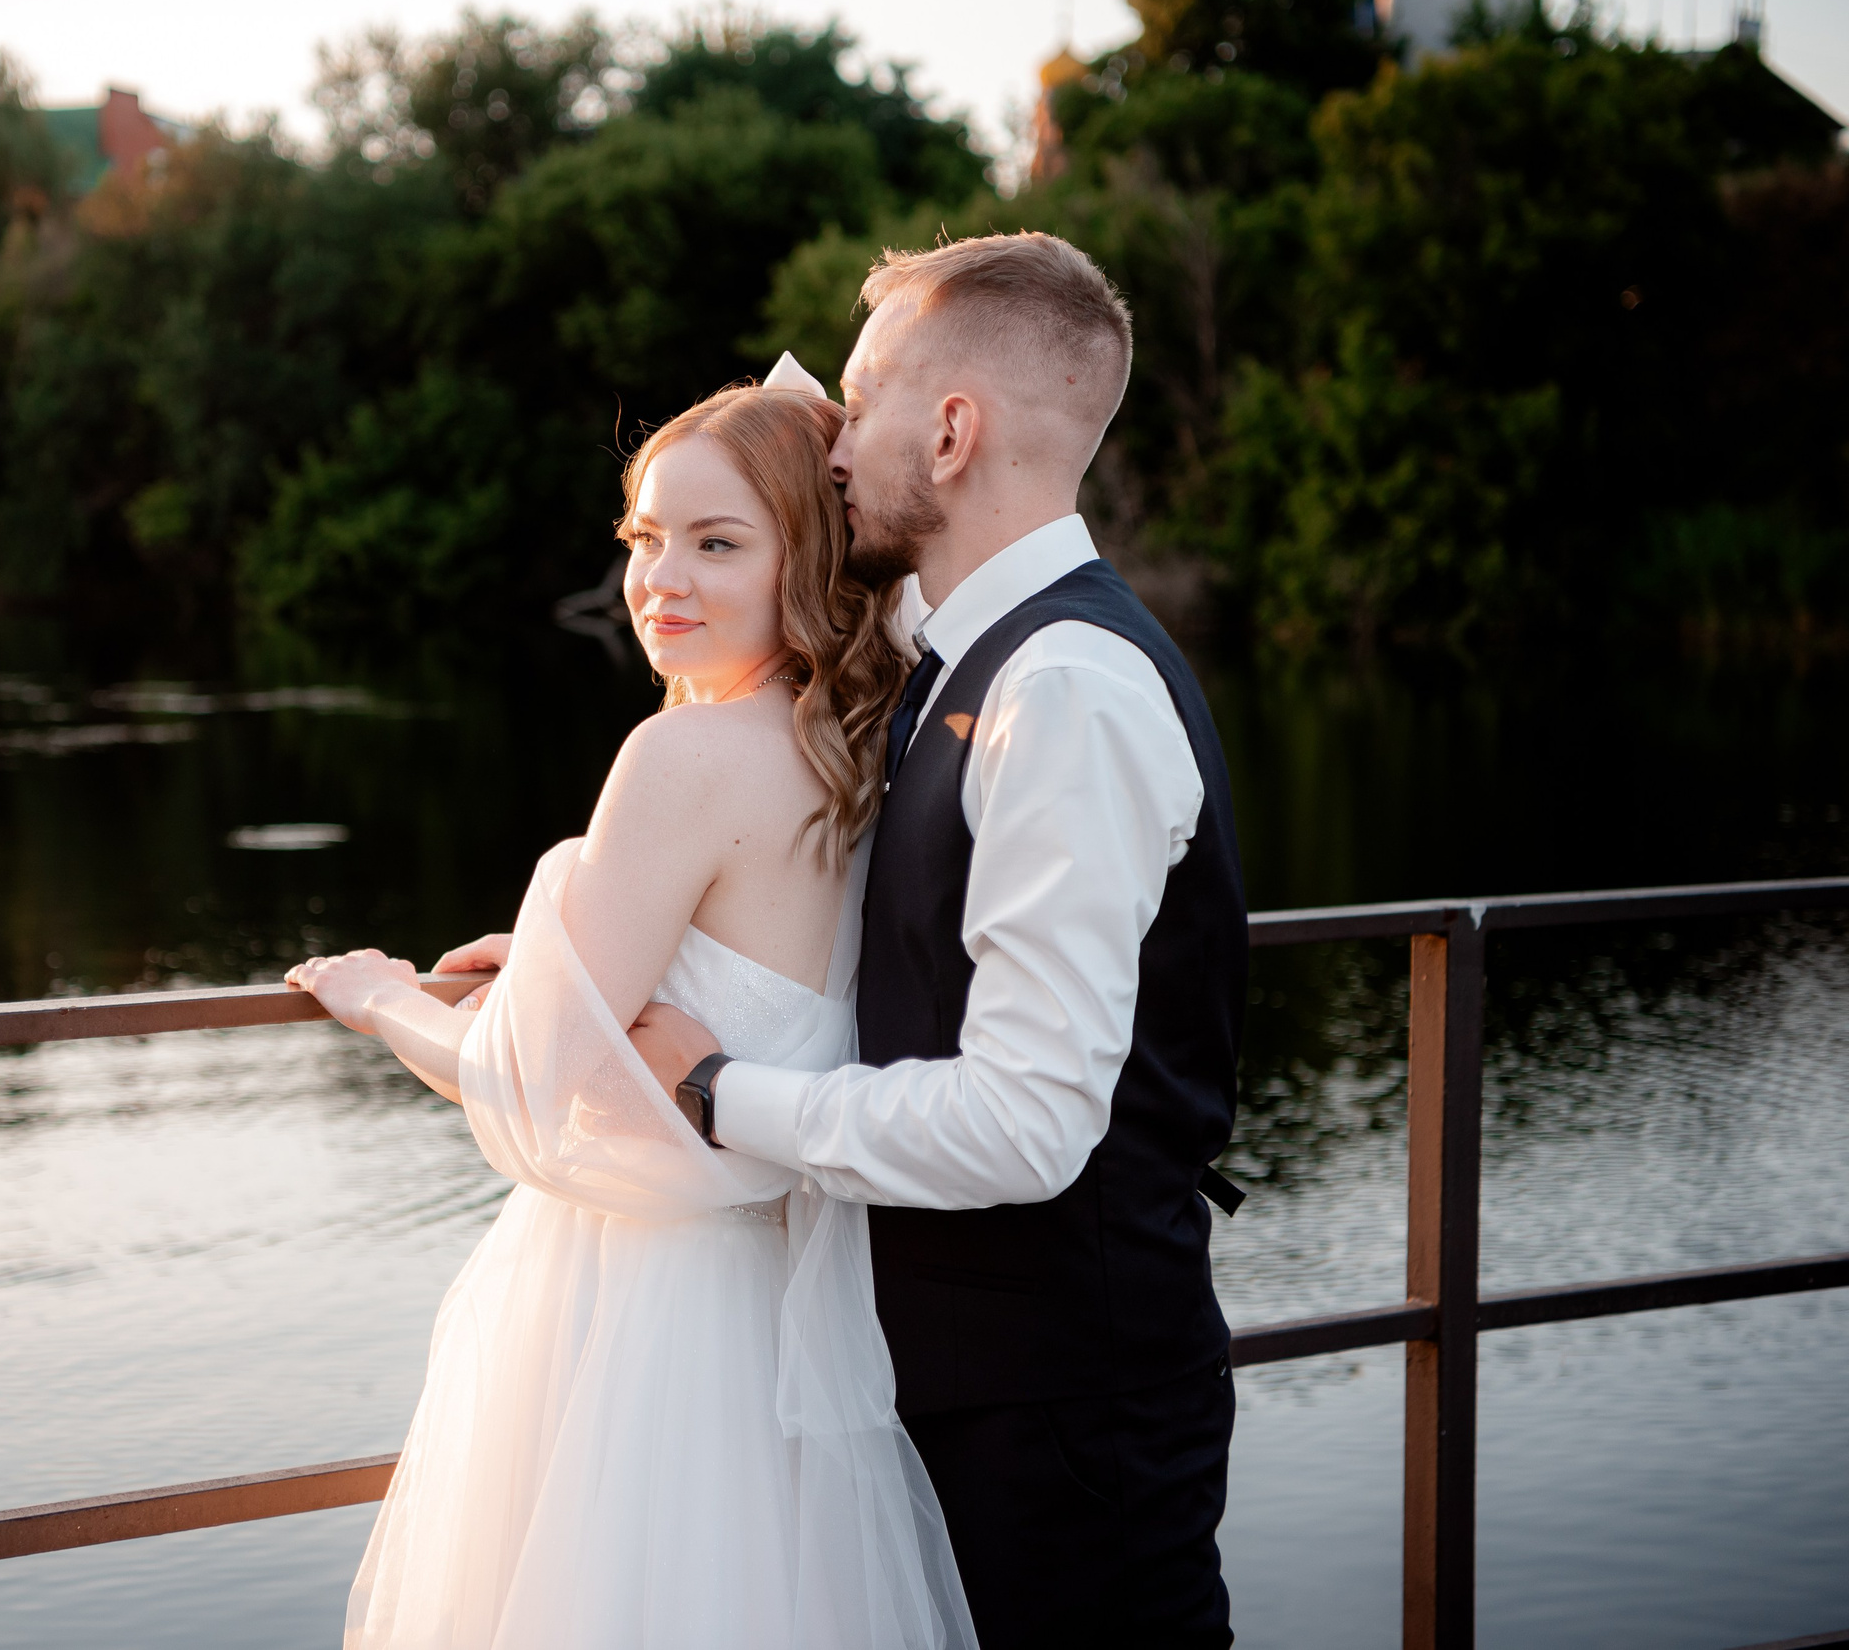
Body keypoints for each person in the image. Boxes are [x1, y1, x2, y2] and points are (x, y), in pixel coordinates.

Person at [619, 232, 1249, 1648]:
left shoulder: (1065, 691)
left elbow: (1028, 1122)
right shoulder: (963, 644)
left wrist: (720, 1091)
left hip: (1064, 1423)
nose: (835, 443)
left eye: (866, 402)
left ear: (954, 431)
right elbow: (793, 519)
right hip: (968, 1391)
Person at [287, 364, 976, 1650]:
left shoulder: (680, 752)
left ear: (805, 558)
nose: (661, 578)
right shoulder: (865, 744)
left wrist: (382, 1001)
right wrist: (581, 958)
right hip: (788, 1313)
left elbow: (523, 1080)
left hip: (646, 1321)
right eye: (645, 538)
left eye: (716, 542)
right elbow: (750, 975)